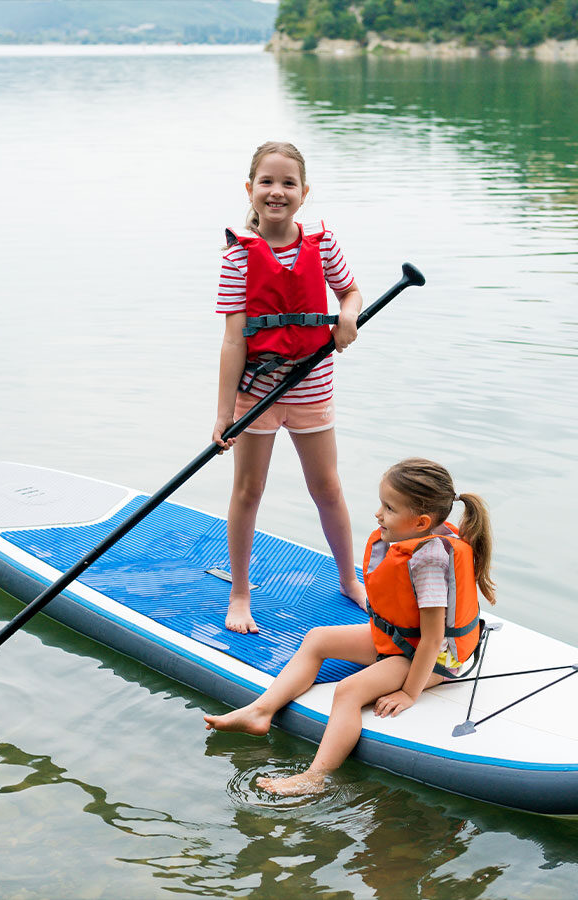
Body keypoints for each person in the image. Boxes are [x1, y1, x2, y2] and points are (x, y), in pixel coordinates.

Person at [203, 458, 496, 795]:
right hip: (402, 642)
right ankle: (260, 711)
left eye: (388, 508)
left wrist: (408, 692)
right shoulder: (420, 539)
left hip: (433, 659)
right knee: (318, 639)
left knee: (348, 692)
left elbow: (431, 640)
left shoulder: (429, 561)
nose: (378, 514)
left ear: (421, 522)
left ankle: (315, 777)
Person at [213, 140, 366, 634]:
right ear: (250, 189)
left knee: (327, 486)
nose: (276, 192)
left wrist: (347, 317)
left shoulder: (322, 244)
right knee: (247, 491)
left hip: (311, 383)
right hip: (257, 390)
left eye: (287, 184)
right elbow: (234, 339)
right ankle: (240, 592)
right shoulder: (238, 257)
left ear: (304, 192)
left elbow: (350, 291)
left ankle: (349, 579)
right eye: (267, 182)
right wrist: (223, 414)